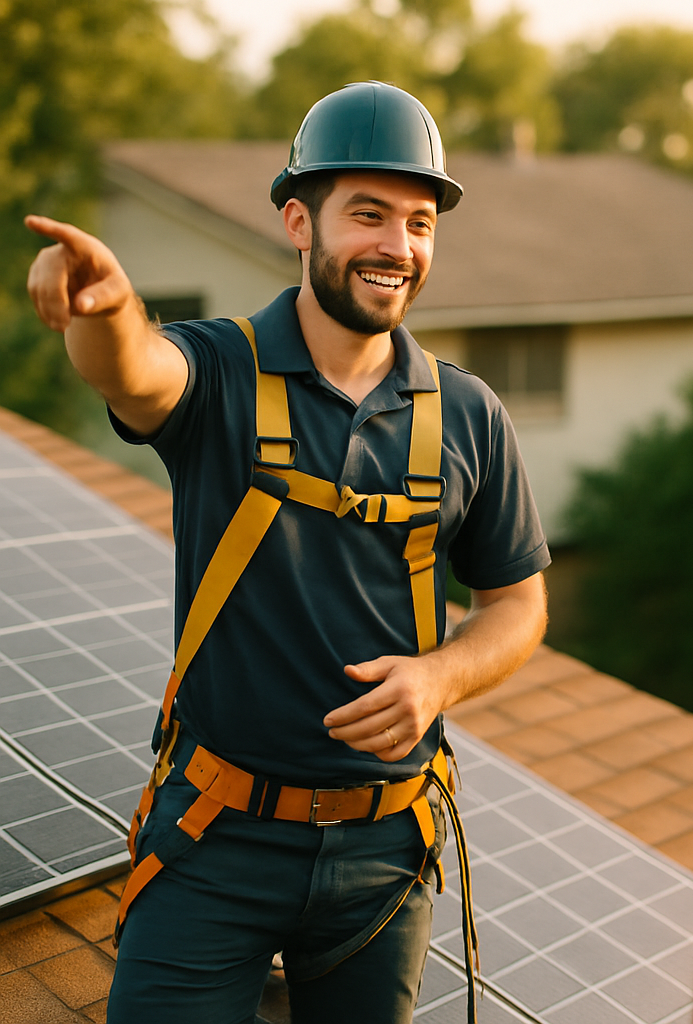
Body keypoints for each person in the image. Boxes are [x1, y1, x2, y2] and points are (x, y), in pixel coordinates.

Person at [25, 81, 549, 1024]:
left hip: (385, 853)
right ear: (298, 221)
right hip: (214, 838)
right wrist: (103, 314)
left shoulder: (470, 416)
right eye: (369, 215)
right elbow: (138, 372)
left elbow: (519, 604)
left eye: (420, 223)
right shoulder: (220, 371)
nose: (398, 246)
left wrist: (440, 679)